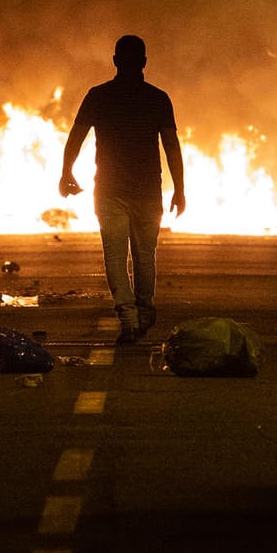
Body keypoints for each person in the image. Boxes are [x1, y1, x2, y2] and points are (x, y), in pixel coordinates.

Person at [59, 35, 186, 343]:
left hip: (109, 189)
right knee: (145, 255)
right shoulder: (158, 98)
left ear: (114, 61)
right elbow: (172, 147)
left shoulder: (98, 96)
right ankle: (142, 311)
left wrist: (66, 173)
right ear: (143, 62)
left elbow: (76, 137)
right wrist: (179, 189)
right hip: (146, 191)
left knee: (115, 256)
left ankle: (129, 317)